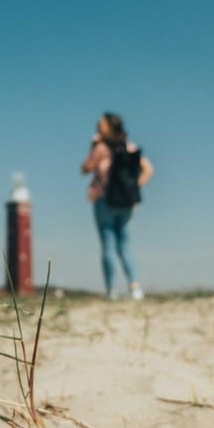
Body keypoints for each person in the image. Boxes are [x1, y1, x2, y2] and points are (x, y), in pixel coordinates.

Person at [81, 112, 153, 300]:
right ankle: (135, 287)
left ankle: (112, 290)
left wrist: (93, 147)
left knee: (108, 246)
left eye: (101, 124)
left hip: (104, 200)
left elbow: (85, 169)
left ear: (108, 128)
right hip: (126, 203)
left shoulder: (100, 148)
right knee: (125, 246)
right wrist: (133, 188)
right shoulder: (130, 147)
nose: (98, 126)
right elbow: (148, 169)